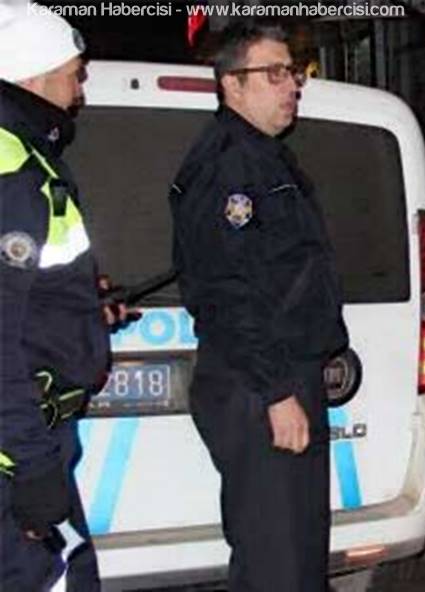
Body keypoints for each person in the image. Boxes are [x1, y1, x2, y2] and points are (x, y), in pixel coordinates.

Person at [168, 23, 349, 590]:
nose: (291, 85)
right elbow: (226, 290)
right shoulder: (230, 165)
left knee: (299, 552)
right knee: (278, 562)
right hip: (259, 384)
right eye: (274, 74)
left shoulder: (263, 156)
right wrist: (276, 393)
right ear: (232, 84)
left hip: (282, 376)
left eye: (292, 73)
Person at [0, 5, 131, 590]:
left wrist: (85, 310)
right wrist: (32, 467)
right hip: (16, 454)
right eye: (75, 74)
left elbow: (29, 303)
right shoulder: (12, 174)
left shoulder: (25, 157)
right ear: (35, 76)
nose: (80, 91)